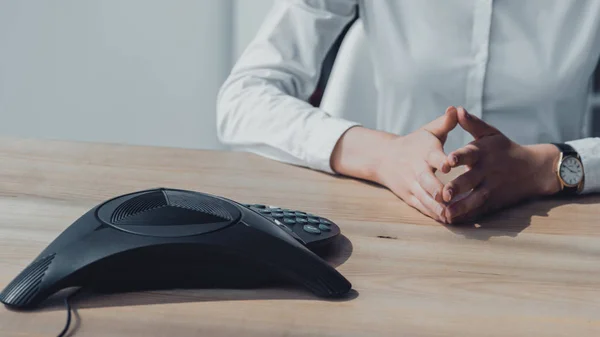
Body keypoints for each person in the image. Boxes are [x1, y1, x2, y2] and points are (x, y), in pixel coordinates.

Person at [216, 0, 600, 224]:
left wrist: (545, 167)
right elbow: (243, 100)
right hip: (395, 224)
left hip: (556, 223)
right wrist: (384, 155)